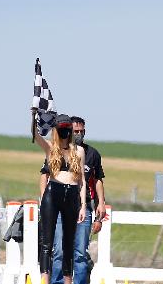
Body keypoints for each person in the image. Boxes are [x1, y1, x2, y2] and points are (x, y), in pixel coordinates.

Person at [40, 116, 105, 284]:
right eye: (75, 131)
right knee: (59, 250)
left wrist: (100, 203)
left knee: (80, 252)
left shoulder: (90, 153)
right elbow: (44, 175)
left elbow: (96, 180)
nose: (78, 134)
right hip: (58, 200)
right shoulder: (55, 150)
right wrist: (45, 199)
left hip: (82, 205)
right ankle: (56, 281)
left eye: (81, 131)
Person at [35, 113, 86, 284]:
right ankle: (45, 279)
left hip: (71, 194)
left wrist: (83, 205)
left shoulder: (79, 151)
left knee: (68, 243)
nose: (65, 132)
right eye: (62, 129)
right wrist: (34, 115)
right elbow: (35, 135)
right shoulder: (50, 148)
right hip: (53, 192)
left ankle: (67, 281)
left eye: (67, 129)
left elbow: (82, 181)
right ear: (56, 130)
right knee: (47, 242)